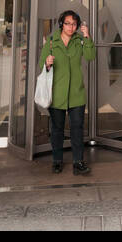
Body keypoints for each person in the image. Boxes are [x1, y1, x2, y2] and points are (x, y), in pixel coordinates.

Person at [39, 10, 96, 175]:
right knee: (57, 129)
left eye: (74, 24)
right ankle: (57, 161)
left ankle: (78, 162)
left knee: (77, 129)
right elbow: (43, 63)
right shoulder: (51, 42)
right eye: (67, 23)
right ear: (61, 24)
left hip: (76, 92)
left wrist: (87, 37)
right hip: (57, 92)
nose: (71, 27)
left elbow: (91, 56)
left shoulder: (79, 40)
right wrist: (47, 63)